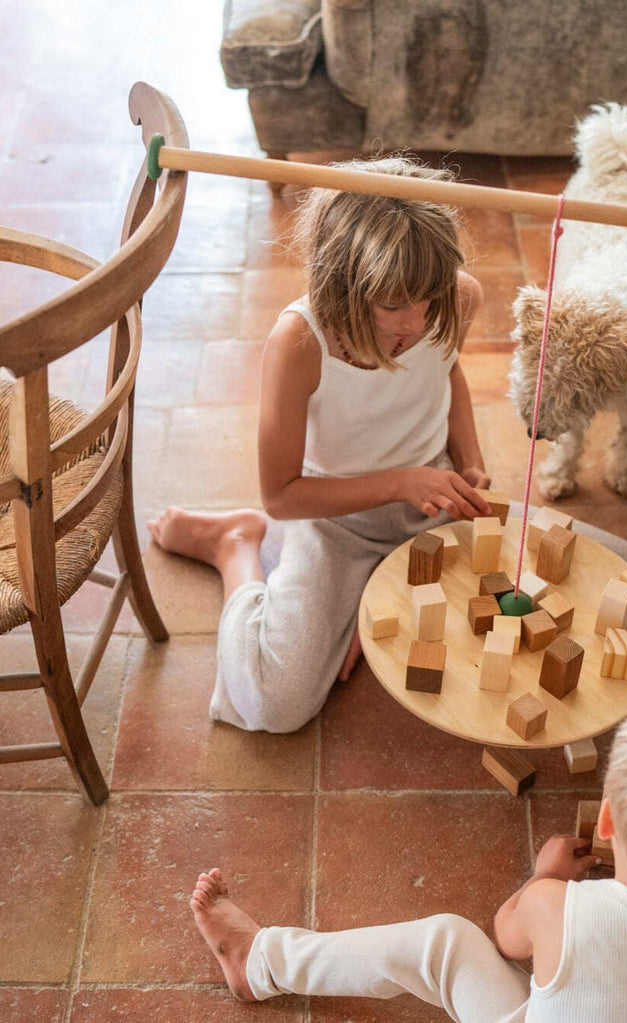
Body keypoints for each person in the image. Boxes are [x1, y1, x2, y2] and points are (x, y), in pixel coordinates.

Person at [148, 157, 494, 732]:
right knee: (273, 704)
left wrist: (472, 462)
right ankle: (234, 544)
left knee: (600, 572)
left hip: (432, 506)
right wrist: (404, 481)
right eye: (394, 305)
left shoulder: (457, 298)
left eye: (429, 299)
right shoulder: (300, 341)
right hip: (335, 520)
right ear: (344, 285)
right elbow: (282, 496)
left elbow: (448, 371)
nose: (417, 320)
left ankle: (374, 595)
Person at [189, 692, 627, 1021]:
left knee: (445, 943)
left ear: (605, 820)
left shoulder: (557, 908)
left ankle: (259, 963)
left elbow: (506, 937)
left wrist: (544, 877)